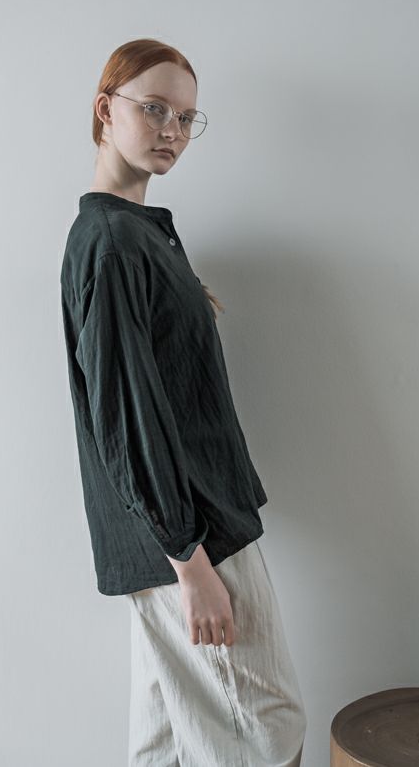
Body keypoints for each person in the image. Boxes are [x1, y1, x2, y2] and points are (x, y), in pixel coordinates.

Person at [60, 38, 307, 766]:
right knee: (265, 730)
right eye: (154, 109)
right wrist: (191, 562)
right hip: (193, 536)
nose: (172, 129)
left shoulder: (136, 234)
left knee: (164, 738)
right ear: (106, 110)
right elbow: (125, 418)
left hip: (182, 532)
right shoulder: (112, 244)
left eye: (186, 117)